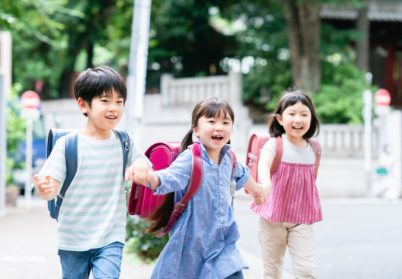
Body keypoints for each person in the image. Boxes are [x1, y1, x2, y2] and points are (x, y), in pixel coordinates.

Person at [32, 65, 150, 279]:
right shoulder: (68, 144)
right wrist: (46, 189)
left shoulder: (124, 142)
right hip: (73, 239)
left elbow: (143, 162)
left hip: (110, 237)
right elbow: (50, 188)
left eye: (119, 101)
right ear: (83, 104)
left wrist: (142, 165)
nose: (113, 108)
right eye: (105, 101)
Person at [130, 97, 268, 279]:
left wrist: (257, 190)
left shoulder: (229, 158)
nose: (219, 127)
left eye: (225, 122)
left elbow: (243, 174)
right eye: (211, 121)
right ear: (196, 129)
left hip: (223, 246)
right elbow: (168, 178)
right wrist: (149, 177)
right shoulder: (190, 159)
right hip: (191, 247)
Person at [250, 89, 322, 279]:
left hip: (301, 219)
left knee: (306, 271)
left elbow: (311, 179)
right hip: (272, 219)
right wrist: (265, 185)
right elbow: (264, 165)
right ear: (280, 119)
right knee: (272, 271)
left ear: (311, 119)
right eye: (292, 114)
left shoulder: (314, 148)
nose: (298, 119)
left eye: (304, 114)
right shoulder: (275, 144)